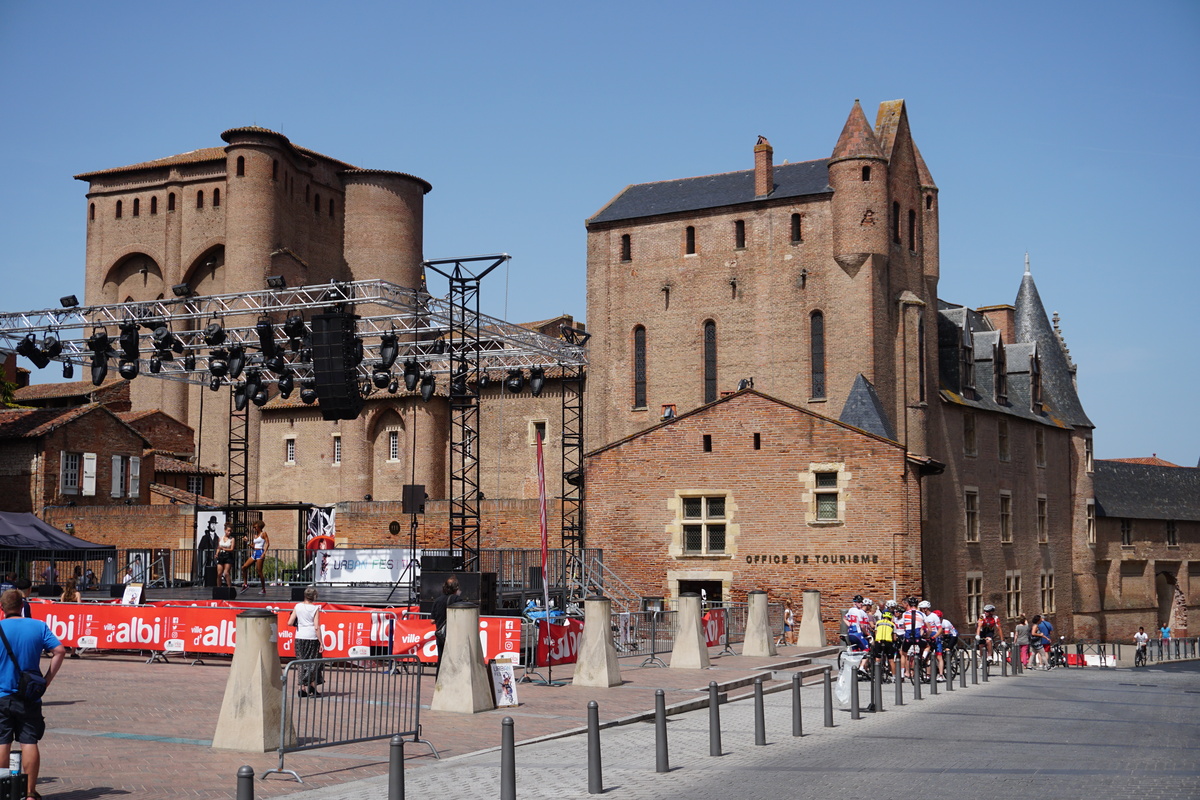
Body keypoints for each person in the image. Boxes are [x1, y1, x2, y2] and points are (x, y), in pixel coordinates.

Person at [0, 588, 67, 800]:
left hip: (1, 694)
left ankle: (3, 791)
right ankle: (29, 792)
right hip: (29, 695)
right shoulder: (38, 626)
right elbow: (60, 651)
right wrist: (46, 681)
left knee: (2, 742)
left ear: (2, 609)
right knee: (29, 741)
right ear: (22, 606)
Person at [288, 587, 324, 697]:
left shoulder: (298, 606)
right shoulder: (315, 608)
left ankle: (301, 688)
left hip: (300, 637)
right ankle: (312, 686)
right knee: (312, 663)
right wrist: (321, 641)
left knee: (301, 663)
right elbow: (316, 626)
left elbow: (290, 622)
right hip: (312, 637)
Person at [432, 576, 462, 676]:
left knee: (441, 659)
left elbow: (432, 620)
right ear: (456, 588)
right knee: (454, 660)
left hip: (440, 634)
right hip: (453, 634)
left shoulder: (437, 600)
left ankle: (439, 682)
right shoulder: (457, 599)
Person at [240, 520, 269, 594]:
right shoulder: (255, 536)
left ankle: (263, 588)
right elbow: (253, 546)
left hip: (260, 552)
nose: (254, 529)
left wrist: (264, 553)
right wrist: (247, 542)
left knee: (259, 572)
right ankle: (245, 584)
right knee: (244, 567)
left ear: (259, 527)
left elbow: (268, 543)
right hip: (255, 552)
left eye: (255, 527)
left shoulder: (263, 534)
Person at [215, 523, 236, 588]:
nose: (229, 532)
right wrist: (217, 553)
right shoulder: (220, 538)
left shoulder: (232, 539)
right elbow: (219, 547)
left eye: (230, 531)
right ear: (225, 530)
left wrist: (224, 549)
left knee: (226, 572)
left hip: (228, 555)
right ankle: (218, 587)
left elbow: (232, 549)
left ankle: (229, 586)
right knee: (219, 573)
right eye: (228, 531)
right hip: (221, 555)